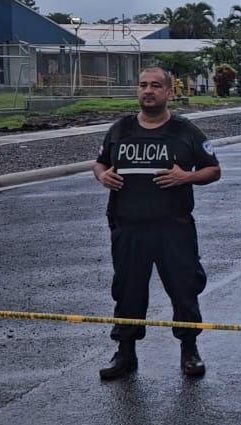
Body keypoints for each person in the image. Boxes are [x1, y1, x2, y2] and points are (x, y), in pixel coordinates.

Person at [92, 68, 222, 380]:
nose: (148, 91)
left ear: (168, 92)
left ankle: (189, 350)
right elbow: (100, 162)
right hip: (128, 227)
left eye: (155, 86)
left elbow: (214, 170)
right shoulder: (120, 129)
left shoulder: (185, 131)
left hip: (172, 228)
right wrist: (101, 175)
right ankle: (125, 353)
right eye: (143, 85)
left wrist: (186, 177)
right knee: (127, 291)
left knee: (183, 288)